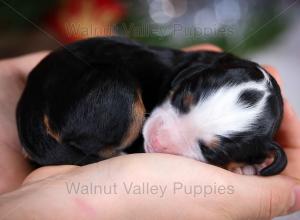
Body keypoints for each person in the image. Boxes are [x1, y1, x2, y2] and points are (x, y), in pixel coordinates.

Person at [0, 44, 299, 219]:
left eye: (206, 148)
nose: (161, 138)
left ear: (264, 159)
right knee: (121, 103)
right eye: (181, 103)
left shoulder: (199, 76)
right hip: (62, 95)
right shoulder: (188, 70)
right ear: (190, 76)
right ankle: (86, 146)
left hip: (56, 102)